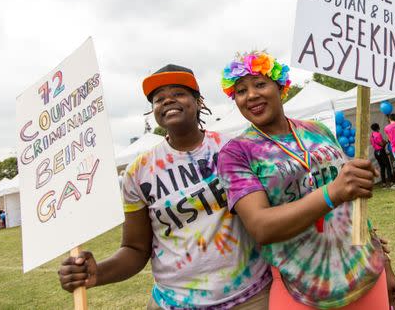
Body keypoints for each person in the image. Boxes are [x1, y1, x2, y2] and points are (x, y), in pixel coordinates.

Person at [58, 64, 271, 309]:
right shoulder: (138, 172)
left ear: (198, 101)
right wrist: (97, 273)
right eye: (159, 99)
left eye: (179, 93)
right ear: (154, 111)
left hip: (249, 296)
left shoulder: (233, 149)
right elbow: (135, 248)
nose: (168, 101)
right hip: (173, 303)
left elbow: (265, 217)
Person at [218, 51, 395, 310]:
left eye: (260, 84)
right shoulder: (237, 152)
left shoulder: (318, 130)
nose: (251, 95)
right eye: (240, 91)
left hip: (368, 275)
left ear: (280, 86)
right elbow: (261, 226)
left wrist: (385, 263)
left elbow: (353, 205)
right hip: (303, 291)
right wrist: (332, 193)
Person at [370, 123, 395, 188]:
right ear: (378, 128)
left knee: (382, 167)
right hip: (381, 152)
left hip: (376, 152)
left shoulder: (372, 135)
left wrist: (384, 142)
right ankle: (391, 182)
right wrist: (385, 143)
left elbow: (377, 142)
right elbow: (381, 144)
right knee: (388, 166)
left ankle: (384, 183)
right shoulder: (378, 134)